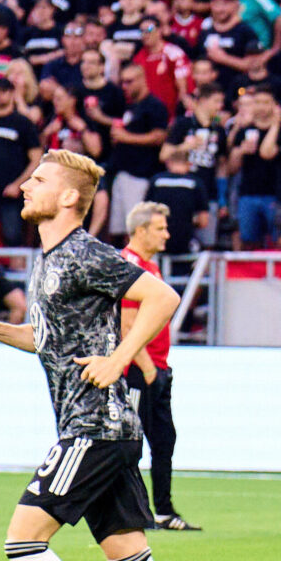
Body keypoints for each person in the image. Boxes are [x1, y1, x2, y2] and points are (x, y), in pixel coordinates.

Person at [0, 150, 233, 561]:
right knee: (130, 559)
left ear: (68, 197)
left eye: (36, 180)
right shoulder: (50, 260)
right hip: (103, 429)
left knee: (23, 540)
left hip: (95, 425)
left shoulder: (85, 251)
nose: (23, 186)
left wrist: (119, 358)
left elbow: (162, 297)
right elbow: (50, 340)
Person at [123, 203, 198, 533]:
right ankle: (134, 513)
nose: (167, 234)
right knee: (132, 442)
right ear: (140, 231)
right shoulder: (128, 266)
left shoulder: (150, 267)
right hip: (138, 370)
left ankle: (164, 511)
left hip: (158, 367)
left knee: (164, 440)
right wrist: (145, 365)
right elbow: (126, 323)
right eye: (160, 228)